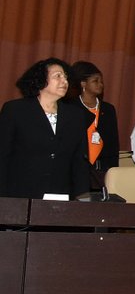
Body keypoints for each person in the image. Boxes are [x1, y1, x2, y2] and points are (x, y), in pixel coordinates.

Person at [0, 58, 90, 199]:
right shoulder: (15, 110)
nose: (64, 81)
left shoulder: (75, 115)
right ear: (40, 80)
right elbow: (3, 155)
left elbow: (80, 161)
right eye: (58, 76)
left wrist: (83, 197)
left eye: (66, 77)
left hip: (61, 195)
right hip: (19, 194)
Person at [61, 60, 120, 190]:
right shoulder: (71, 107)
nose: (100, 84)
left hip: (101, 172)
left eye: (101, 81)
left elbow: (113, 143)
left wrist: (113, 171)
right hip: (77, 170)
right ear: (83, 83)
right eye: (95, 81)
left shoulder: (108, 109)